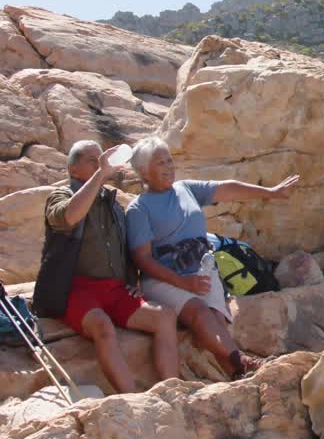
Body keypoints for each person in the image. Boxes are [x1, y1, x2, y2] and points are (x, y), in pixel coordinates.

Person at [126, 136, 299, 379]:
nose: (169, 167)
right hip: (164, 280)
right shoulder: (138, 209)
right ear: (144, 172)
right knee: (200, 312)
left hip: (202, 272)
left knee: (216, 319)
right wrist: (184, 283)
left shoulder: (185, 189)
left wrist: (270, 193)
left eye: (169, 160)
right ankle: (244, 362)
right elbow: (143, 259)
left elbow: (226, 188)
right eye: (160, 163)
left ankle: (236, 372)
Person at [42, 140, 181, 393]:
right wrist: (100, 175)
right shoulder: (62, 195)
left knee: (164, 316)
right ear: (73, 170)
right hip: (75, 289)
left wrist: (133, 281)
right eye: (93, 161)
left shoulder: (112, 204)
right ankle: (132, 397)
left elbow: (124, 248)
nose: (101, 165)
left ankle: (172, 388)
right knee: (102, 326)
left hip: (114, 289)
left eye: (102, 160)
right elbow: (70, 217)